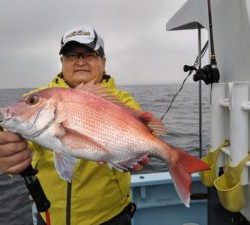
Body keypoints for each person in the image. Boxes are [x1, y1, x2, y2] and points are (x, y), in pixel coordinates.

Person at [0, 26, 149, 225]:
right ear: (62, 62)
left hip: (110, 216)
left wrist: (141, 151)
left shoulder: (120, 101)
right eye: (71, 55)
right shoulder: (38, 97)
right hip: (50, 216)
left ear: (103, 61)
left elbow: (140, 130)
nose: (80, 61)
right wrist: (6, 152)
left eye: (89, 54)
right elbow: (11, 129)